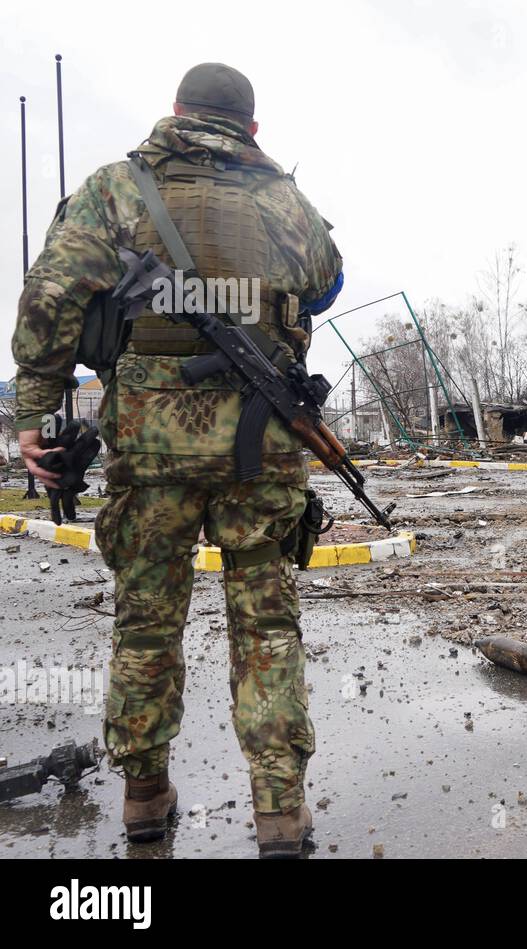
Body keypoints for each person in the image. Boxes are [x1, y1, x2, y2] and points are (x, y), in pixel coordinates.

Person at [11, 62, 343, 857]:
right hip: (260, 455)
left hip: (151, 449)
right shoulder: (287, 203)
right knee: (266, 628)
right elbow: (327, 283)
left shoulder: (115, 188)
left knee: (146, 627)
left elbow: (52, 294)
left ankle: (144, 800)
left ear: (175, 112)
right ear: (250, 131)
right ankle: (278, 813)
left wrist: (33, 412)